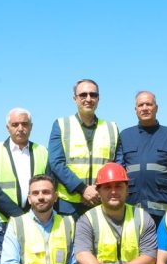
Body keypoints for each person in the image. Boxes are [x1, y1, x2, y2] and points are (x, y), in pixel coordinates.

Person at [48, 79, 120, 217]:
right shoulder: (61, 125)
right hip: (69, 205)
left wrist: (98, 189)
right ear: (74, 98)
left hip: (101, 201)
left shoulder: (112, 128)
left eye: (93, 95)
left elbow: (117, 164)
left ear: (98, 98)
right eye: (83, 95)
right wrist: (83, 189)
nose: (88, 99)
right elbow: (56, 163)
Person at [119, 91, 167, 228]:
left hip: (164, 214)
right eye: (141, 105)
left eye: (149, 104)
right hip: (132, 212)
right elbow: (119, 170)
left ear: (156, 108)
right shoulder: (125, 135)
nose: (145, 108)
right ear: (135, 110)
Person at [0, 107, 48, 223]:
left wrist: (31, 217)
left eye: (24, 124)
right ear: (8, 127)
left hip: (37, 220)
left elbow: (49, 186)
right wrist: (20, 217)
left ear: (31, 127)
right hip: (3, 221)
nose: (20, 128)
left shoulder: (43, 151)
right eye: (15, 125)